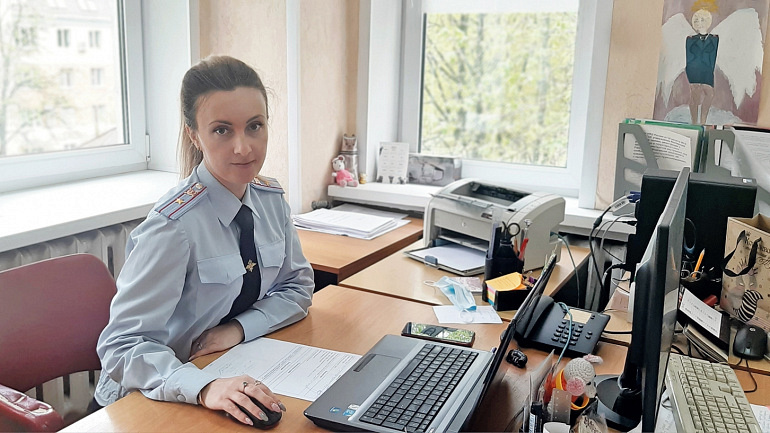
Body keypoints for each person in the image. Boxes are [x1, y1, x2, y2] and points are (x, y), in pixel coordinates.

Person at [93, 55, 315, 427]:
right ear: (194, 135)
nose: (243, 148)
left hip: (225, 369)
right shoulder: (172, 226)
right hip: (150, 397)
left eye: (255, 126)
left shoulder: (270, 199)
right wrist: (204, 387)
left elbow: (297, 287)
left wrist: (238, 330)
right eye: (222, 130)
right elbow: (120, 346)